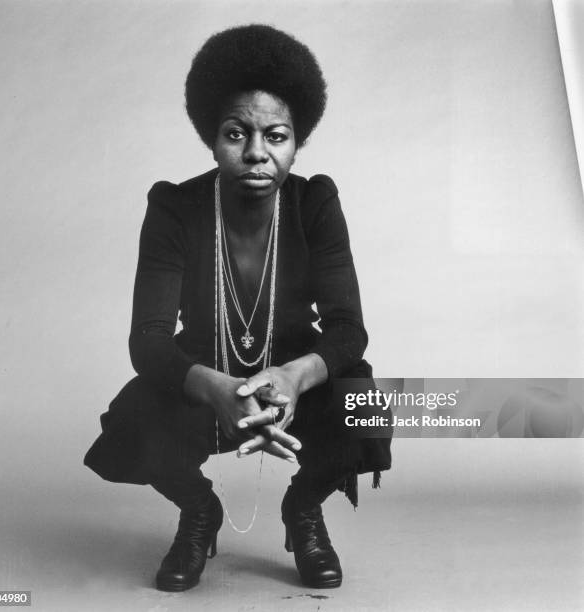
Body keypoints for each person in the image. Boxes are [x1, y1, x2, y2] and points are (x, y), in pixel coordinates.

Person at [84, 24, 392, 592]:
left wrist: (296, 379)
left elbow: (349, 330)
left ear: (297, 141)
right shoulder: (175, 208)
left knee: (366, 408)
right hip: (205, 373)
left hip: (298, 373)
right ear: (212, 136)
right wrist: (218, 389)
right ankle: (201, 511)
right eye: (236, 133)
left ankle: (302, 510)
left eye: (276, 135)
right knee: (133, 422)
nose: (256, 152)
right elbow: (149, 339)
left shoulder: (315, 202)